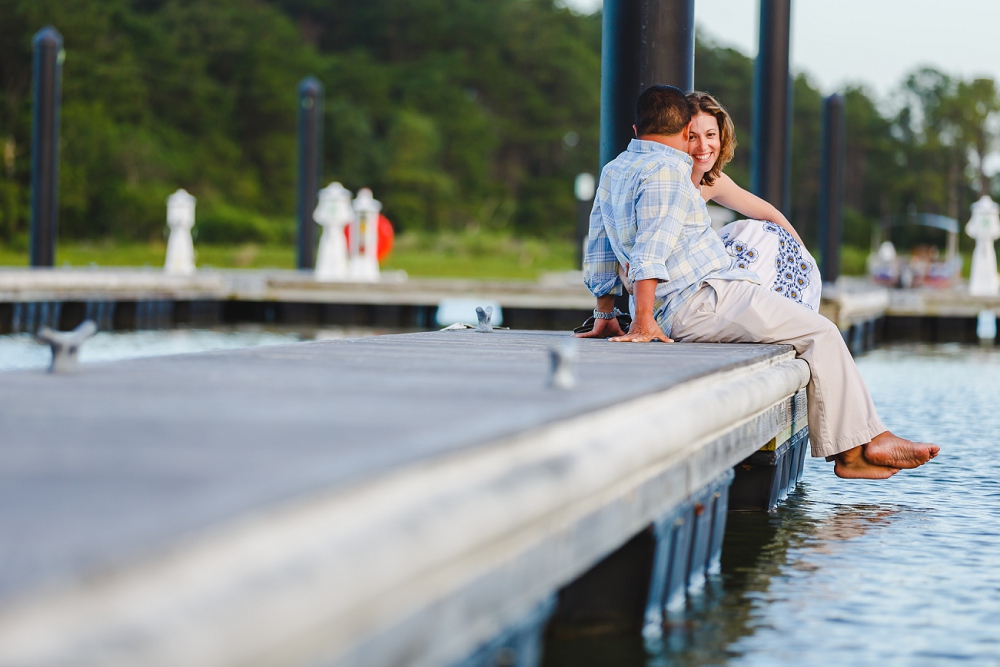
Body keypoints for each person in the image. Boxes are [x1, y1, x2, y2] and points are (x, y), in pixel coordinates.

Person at [578, 84, 938, 480]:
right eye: (692, 135)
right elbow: (650, 249)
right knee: (821, 332)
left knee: (810, 329)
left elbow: (599, 245)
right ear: (682, 132)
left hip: (699, 296)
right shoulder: (669, 172)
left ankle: (862, 445)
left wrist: (606, 313)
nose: (698, 145)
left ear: (634, 129)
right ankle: (857, 452)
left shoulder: (616, 169)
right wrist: (644, 321)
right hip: (700, 298)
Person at [686, 91, 821, 311]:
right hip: (677, 295)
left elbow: (770, 214)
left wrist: (804, 258)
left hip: (702, 284)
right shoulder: (669, 181)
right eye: (692, 137)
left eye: (710, 135)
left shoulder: (710, 181)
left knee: (767, 231)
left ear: (721, 136)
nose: (703, 146)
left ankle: (783, 311)